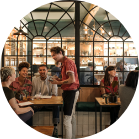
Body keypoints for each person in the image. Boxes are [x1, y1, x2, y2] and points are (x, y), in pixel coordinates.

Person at [50, 46, 80, 139]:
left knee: (66, 120)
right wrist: (59, 79)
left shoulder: (68, 62)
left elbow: (71, 79)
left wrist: (58, 82)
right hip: (70, 91)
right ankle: (72, 136)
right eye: (52, 55)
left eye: (54, 55)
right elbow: (67, 79)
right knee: (72, 117)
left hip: (71, 92)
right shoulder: (63, 63)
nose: (53, 57)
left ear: (60, 52)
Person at [31, 65, 60, 130]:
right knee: (29, 109)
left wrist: (45, 101)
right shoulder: (34, 80)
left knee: (56, 106)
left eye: (44, 70)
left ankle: (55, 127)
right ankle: (30, 125)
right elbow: (32, 94)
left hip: (49, 103)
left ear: (47, 71)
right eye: (40, 70)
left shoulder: (52, 79)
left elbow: (54, 95)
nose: (42, 71)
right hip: (38, 103)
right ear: (38, 71)